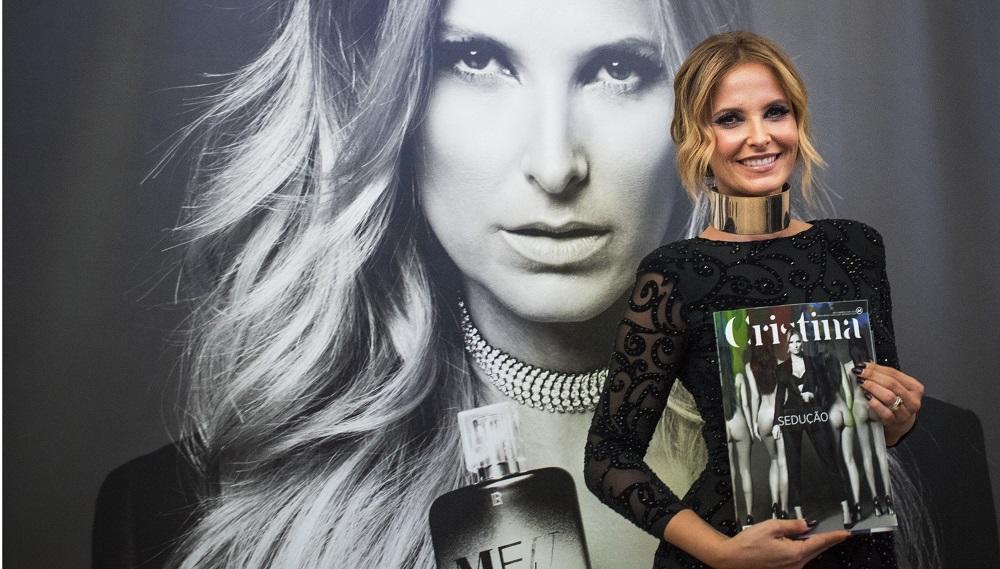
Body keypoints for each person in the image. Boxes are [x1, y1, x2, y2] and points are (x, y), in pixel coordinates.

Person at [91, 1, 748, 569]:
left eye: (619, 70)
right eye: (478, 60)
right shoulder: (173, 522)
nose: (555, 166)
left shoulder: (801, 462)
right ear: (387, 91)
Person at [584, 31, 924, 569]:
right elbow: (608, 459)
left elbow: (878, 421)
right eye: (730, 119)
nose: (760, 137)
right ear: (695, 138)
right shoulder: (674, 274)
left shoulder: (855, 248)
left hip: (856, 549)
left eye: (775, 112)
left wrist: (898, 419)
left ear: (798, 120)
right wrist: (722, 554)